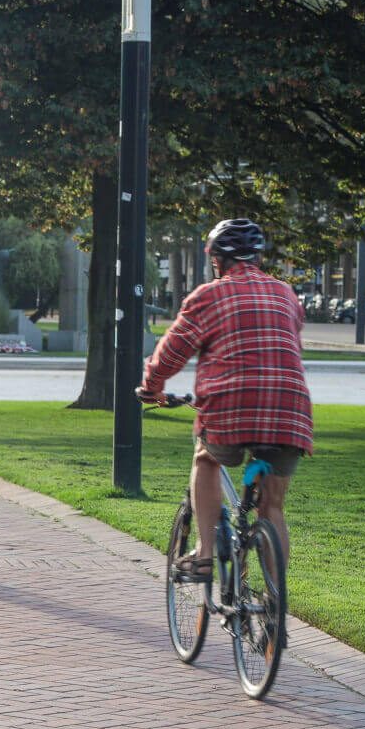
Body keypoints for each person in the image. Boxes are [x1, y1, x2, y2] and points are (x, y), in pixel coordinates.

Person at [138, 218, 312, 576]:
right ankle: (274, 610)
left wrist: (152, 387)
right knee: (272, 508)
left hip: (231, 407)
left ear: (216, 260)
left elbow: (171, 353)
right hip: (290, 409)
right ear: (258, 258)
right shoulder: (285, 294)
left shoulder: (208, 295)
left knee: (205, 458)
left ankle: (203, 555)